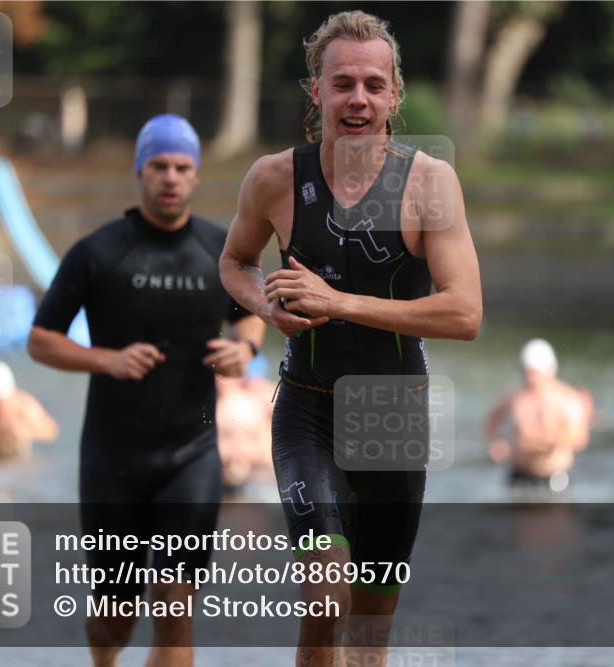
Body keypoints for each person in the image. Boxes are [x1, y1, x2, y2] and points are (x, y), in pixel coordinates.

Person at [219, 11, 482, 666]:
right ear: (317, 93)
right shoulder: (275, 178)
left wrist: (340, 302)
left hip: (391, 416)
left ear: (394, 94)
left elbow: (464, 313)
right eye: (342, 84)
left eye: (372, 84)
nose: (357, 99)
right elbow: (234, 262)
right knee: (327, 596)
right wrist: (265, 307)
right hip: (307, 411)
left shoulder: (429, 184)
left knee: (369, 627)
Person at [27, 114, 265, 667]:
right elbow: (40, 341)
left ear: (197, 176)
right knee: (113, 615)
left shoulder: (221, 250)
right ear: (140, 169)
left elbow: (253, 315)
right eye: (159, 165)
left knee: (175, 603)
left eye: (183, 167)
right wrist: (105, 359)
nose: (170, 177)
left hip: (192, 452)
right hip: (114, 458)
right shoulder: (99, 252)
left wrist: (245, 348)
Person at [485, 339, 594, 492]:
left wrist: (550, 442)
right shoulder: (513, 396)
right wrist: (496, 442)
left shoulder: (567, 399)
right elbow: (491, 420)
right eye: (528, 372)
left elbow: (580, 440)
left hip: (556, 478)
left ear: (550, 370)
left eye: (536, 373)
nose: (531, 378)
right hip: (518, 476)